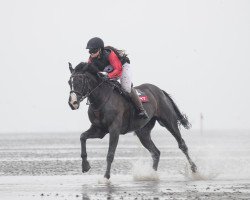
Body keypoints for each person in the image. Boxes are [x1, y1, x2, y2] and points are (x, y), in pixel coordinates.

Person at [86, 37, 149, 119]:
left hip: (122, 67)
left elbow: (118, 69)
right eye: (90, 51)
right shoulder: (91, 59)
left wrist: (108, 76)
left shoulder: (109, 54)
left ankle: (141, 110)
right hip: (109, 69)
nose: (91, 53)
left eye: (93, 51)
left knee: (126, 88)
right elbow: (89, 70)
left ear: (100, 49)